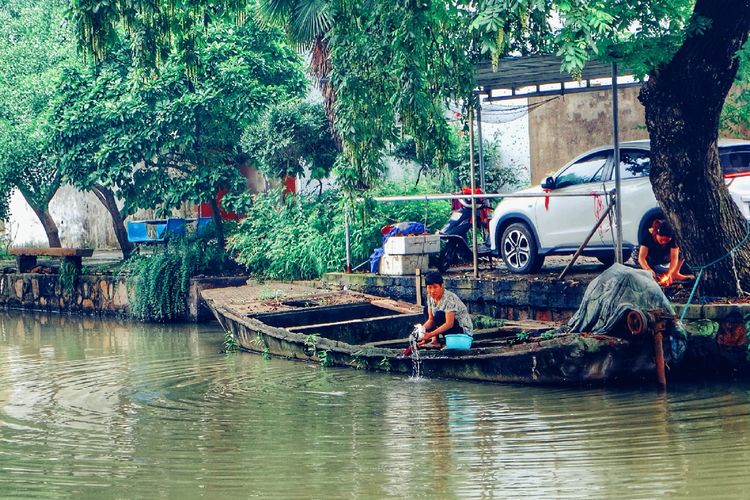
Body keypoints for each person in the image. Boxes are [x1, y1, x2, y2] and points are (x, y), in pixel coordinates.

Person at [417, 272, 473, 348]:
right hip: (447, 328)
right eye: (429, 287)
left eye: (435, 287)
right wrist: (421, 331)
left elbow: (449, 324)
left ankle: (439, 339)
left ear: (441, 286)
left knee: (439, 315)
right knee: (426, 309)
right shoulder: (430, 297)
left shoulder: (449, 298)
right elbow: (431, 320)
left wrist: (430, 334)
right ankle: (435, 341)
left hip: (462, 332)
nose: (432, 291)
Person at [632, 219, 693, 286]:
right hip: (650, 257)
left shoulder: (674, 238)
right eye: (661, 240)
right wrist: (648, 269)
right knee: (637, 253)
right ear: (657, 234)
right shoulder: (648, 234)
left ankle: (675, 274)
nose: (663, 242)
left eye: (666, 240)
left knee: (683, 250)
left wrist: (670, 273)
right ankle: (647, 274)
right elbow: (641, 257)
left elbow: (674, 258)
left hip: (663, 255)